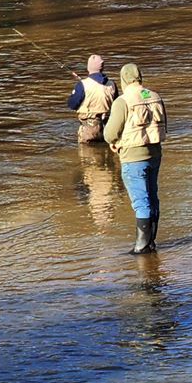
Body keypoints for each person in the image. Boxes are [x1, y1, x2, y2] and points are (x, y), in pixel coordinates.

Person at [103, 63, 167, 254]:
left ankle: (142, 247)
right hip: (155, 154)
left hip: (133, 157)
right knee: (152, 196)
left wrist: (115, 142)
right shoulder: (156, 96)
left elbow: (109, 134)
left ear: (123, 80)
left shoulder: (122, 101)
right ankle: (151, 242)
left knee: (141, 201)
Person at [66, 54, 118, 143]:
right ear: (102, 68)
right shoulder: (112, 84)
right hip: (108, 129)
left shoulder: (82, 85)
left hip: (89, 131)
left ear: (88, 68)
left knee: (86, 154)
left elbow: (72, 104)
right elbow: (117, 105)